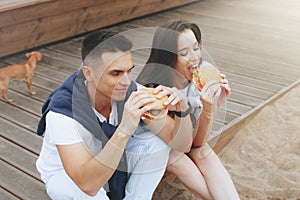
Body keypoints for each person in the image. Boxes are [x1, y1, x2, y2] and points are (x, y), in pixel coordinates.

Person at [35, 29, 193, 200]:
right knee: (93, 196)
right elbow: (87, 184)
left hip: (112, 160)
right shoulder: (62, 113)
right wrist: (125, 129)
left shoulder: (132, 91)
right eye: (116, 73)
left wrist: (182, 110)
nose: (126, 82)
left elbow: (181, 145)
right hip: (68, 175)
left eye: (129, 71)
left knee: (156, 144)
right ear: (89, 73)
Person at [136, 20, 240, 199]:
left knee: (204, 152)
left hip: (182, 141)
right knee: (177, 157)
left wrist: (213, 106)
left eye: (196, 48)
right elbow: (182, 146)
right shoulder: (155, 92)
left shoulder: (198, 79)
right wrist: (205, 110)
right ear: (167, 58)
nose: (194, 58)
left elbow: (197, 143)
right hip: (151, 144)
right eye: (184, 53)